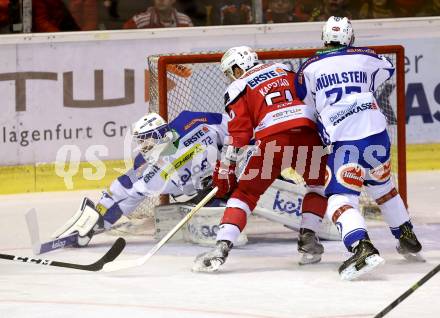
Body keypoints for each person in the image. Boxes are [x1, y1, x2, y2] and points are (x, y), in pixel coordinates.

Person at [53, 110, 328, 259]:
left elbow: (235, 129)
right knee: (215, 215)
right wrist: (98, 221)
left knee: (264, 183)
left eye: (146, 140)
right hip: (210, 194)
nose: (143, 147)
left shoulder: (190, 121)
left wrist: (245, 153)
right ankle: (229, 233)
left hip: (235, 172)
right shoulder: (148, 169)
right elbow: (123, 193)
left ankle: (315, 221)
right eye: (140, 142)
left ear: (159, 135)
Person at [294, 16, 422, 280]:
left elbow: (305, 102)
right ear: (349, 37)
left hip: (345, 141)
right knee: (383, 187)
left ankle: (360, 246)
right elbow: (386, 70)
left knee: (340, 199)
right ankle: (406, 235)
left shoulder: (308, 67)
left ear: (324, 37)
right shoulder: (367, 56)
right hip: (376, 134)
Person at [192, 46, 328, 273]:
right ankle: (308, 240)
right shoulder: (286, 70)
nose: (231, 77)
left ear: (237, 67)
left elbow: (239, 135)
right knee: (317, 186)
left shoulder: (238, 86)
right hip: (307, 133)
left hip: (274, 139)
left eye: (231, 71)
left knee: (245, 194)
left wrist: (226, 167)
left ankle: (221, 248)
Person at [123, 0, 193, 29]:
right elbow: (123, 40)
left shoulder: (185, 21)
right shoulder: (140, 20)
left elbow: (191, 43)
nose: (161, 0)